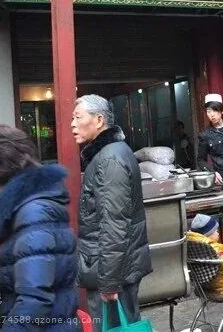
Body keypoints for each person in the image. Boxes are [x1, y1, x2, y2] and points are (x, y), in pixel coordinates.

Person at [0, 125, 78, 330]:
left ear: (0, 173)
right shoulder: (25, 208)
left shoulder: (34, 213)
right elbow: (25, 261)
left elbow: (35, 300)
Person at [72, 95, 152, 332]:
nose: (72, 124)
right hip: (114, 267)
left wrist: (109, 282)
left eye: (78, 117)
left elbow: (114, 223)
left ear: (99, 120)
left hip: (113, 271)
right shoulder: (109, 154)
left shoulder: (109, 159)